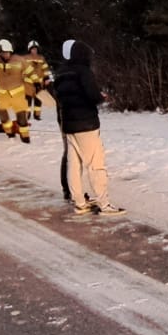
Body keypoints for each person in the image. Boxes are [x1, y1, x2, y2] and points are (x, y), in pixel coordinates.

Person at [53, 38, 123, 215]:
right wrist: (101, 97)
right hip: (86, 123)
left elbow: (59, 96)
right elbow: (92, 95)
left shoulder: (60, 73)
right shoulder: (84, 71)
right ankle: (104, 204)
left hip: (68, 124)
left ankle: (79, 202)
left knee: (73, 165)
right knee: (95, 164)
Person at [0, 39, 28, 141]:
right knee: (3, 116)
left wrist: (35, 83)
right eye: (2, 53)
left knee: (21, 117)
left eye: (6, 52)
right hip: (3, 94)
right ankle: (10, 133)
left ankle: (25, 136)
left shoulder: (19, 60)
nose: (4, 55)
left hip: (18, 93)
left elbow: (29, 72)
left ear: (10, 51)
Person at [21, 41, 52, 130]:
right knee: (27, 101)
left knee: (38, 101)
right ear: (29, 49)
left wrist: (46, 78)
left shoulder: (41, 58)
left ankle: (37, 115)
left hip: (39, 84)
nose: (34, 51)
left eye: (35, 49)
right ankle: (27, 115)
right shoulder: (25, 58)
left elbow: (45, 69)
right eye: (33, 49)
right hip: (28, 84)